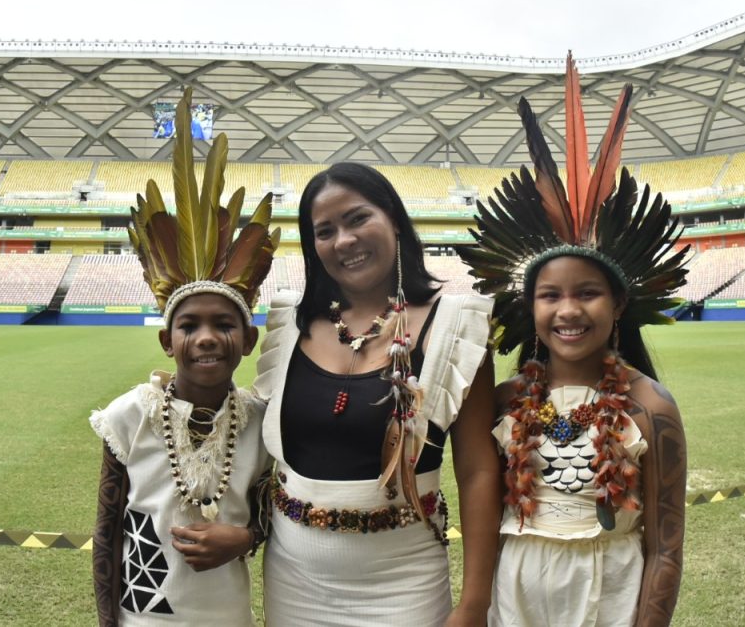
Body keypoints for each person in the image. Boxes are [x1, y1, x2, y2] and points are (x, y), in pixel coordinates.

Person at [459, 54, 689, 627]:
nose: (568, 311)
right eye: (549, 295)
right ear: (527, 306)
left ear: (617, 307)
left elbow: (664, 546)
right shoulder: (507, 402)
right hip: (514, 597)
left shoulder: (651, 408)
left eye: (587, 292)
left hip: (609, 596)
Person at [253, 162, 502, 626]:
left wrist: (474, 604)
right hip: (294, 584)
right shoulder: (289, 324)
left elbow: (478, 472)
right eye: (324, 231)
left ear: (392, 218)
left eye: (357, 218)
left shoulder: (455, 327)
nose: (343, 240)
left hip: (403, 583)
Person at [90, 89, 279, 626]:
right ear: (167, 342)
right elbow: (107, 533)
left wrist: (245, 536)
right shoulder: (129, 415)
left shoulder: (262, 421)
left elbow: (275, 513)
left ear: (246, 340)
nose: (206, 338)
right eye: (188, 325)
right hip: (143, 616)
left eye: (224, 325)